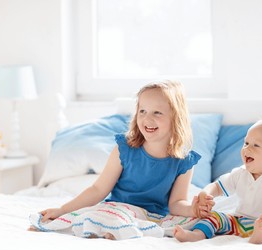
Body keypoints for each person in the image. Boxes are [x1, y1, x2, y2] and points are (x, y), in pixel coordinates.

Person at [30, 80, 201, 240]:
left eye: (157, 112)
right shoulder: (124, 149)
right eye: (142, 111)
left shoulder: (184, 161)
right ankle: (111, 229)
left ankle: (118, 231)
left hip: (152, 215)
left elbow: (176, 204)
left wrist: (192, 209)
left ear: (176, 117)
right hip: (116, 208)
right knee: (91, 216)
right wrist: (61, 210)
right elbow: (98, 189)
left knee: (201, 223)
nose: (147, 119)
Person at [174, 119, 262, 244]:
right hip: (240, 221)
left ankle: (260, 237)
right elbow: (217, 186)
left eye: (256, 145)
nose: (247, 148)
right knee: (213, 217)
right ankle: (197, 234)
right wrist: (206, 193)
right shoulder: (241, 173)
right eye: (246, 143)